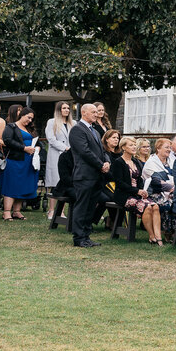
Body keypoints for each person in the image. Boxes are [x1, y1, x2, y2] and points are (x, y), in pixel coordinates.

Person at [69, 103, 110, 248]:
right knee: (82, 206)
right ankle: (79, 237)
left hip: (97, 175)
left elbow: (102, 151)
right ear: (84, 112)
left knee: (91, 207)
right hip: (85, 175)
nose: (96, 114)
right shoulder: (77, 130)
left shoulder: (95, 132)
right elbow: (85, 152)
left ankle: (86, 235)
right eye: (93, 112)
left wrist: (106, 163)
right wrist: (100, 165)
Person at [0, 105, 39, 221]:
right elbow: (7, 140)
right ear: (21, 115)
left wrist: (38, 148)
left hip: (28, 162)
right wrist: (24, 148)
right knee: (11, 186)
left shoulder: (31, 129)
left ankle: (17, 211)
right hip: (15, 160)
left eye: (32, 119)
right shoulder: (11, 127)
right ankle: (6, 212)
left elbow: (37, 142)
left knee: (22, 186)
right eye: (28, 117)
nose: (30, 120)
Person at [142, 137, 176, 242]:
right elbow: (156, 181)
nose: (169, 150)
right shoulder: (151, 162)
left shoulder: (172, 161)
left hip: (172, 191)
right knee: (167, 203)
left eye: (170, 148)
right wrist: (172, 188)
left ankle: (173, 232)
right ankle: (166, 232)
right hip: (154, 193)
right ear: (158, 148)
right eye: (166, 147)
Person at [44, 101, 72, 217]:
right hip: (57, 153)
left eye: (68, 108)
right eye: (64, 108)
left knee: (65, 181)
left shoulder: (73, 123)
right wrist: (65, 148)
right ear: (59, 110)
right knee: (55, 182)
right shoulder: (52, 122)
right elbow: (51, 139)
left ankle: (61, 211)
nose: (66, 110)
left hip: (69, 156)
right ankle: (51, 210)